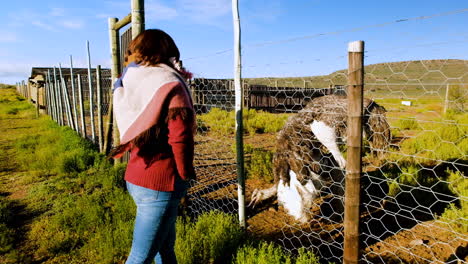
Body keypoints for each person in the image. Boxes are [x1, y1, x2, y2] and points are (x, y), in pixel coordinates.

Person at [111, 29, 195, 264]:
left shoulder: (130, 81)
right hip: (161, 182)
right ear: (169, 53)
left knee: (164, 249)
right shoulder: (170, 83)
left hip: (136, 176)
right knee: (140, 257)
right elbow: (180, 138)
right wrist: (185, 174)